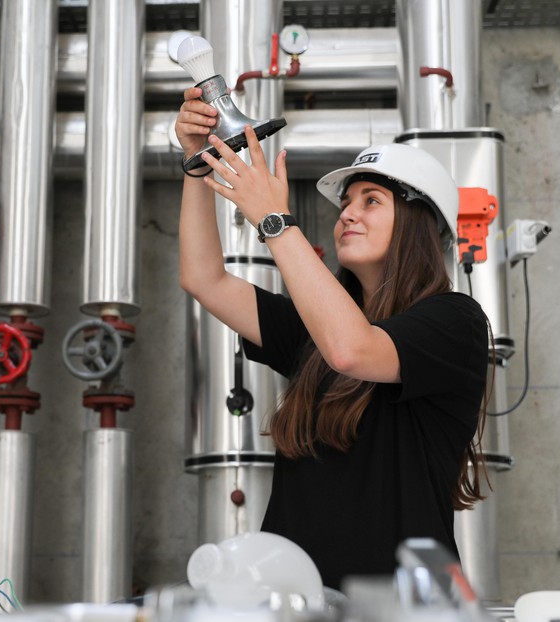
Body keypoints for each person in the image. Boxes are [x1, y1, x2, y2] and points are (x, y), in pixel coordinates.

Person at [176, 86, 492, 590]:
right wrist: (197, 163)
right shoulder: (314, 329)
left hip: (395, 607)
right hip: (295, 602)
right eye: (346, 202)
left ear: (420, 224)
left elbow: (353, 350)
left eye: (372, 201)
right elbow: (204, 279)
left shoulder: (457, 322)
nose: (347, 213)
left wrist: (274, 221)